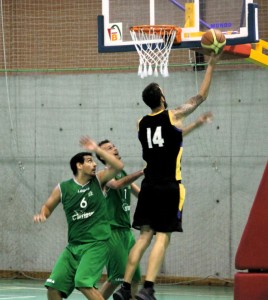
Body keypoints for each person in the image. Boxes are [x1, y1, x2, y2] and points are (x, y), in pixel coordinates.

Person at [113, 53, 221, 300]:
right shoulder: (173, 114)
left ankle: (125, 287)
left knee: (143, 237)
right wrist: (212, 64)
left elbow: (171, 139)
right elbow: (200, 97)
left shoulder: (141, 123)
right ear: (162, 97)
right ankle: (148, 288)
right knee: (163, 236)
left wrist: (195, 126)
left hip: (148, 185)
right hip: (169, 186)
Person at [33, 136, 124, 300]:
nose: (94, 164)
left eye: (94, 161)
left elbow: (118, 166)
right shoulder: (63, 188)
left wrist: (96, 149)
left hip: (96, 243)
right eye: (89, 161)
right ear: (79, 165)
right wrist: (43, 214)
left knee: (83, 282)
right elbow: (47, 206)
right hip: (73, 246)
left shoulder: (98, 181)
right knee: (53, 287)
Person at [96, 140, 144, 300]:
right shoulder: (104, 175)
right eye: (109, 148)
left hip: (126, 232)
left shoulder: (124, 174)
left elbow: (141, 195)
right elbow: (116, 185)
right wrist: (142, 171)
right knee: (116, 277)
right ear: (103, 157)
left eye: (114, 146)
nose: (114, 148)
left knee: (135, 277)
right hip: (111, 232)